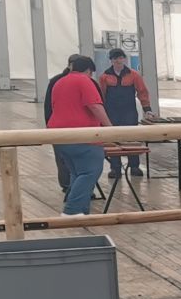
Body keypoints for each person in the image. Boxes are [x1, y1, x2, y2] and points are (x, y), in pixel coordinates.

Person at [46, 55, 110, 216]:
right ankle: (72, 211)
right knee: (90, 172)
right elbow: (95, 106)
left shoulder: (59, 82)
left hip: (59, 136)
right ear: (89, 70)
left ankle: (81, 210)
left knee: (77, 173)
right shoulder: (84, 81)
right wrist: (110, 129)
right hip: (83, 135)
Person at [98, 48, 154, 179]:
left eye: (120, 58)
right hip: (111, 112)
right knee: (113, 139)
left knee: (132, 138)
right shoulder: (104, 77)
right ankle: (115, 168)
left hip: (129, 112)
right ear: (111, 60)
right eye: (115, 58)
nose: (118, 61)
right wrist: (101, 113)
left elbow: (142, 92)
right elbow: (101, 95)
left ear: (124, 59)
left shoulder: (134, 75)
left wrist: (147, 109)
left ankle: (134, 166)